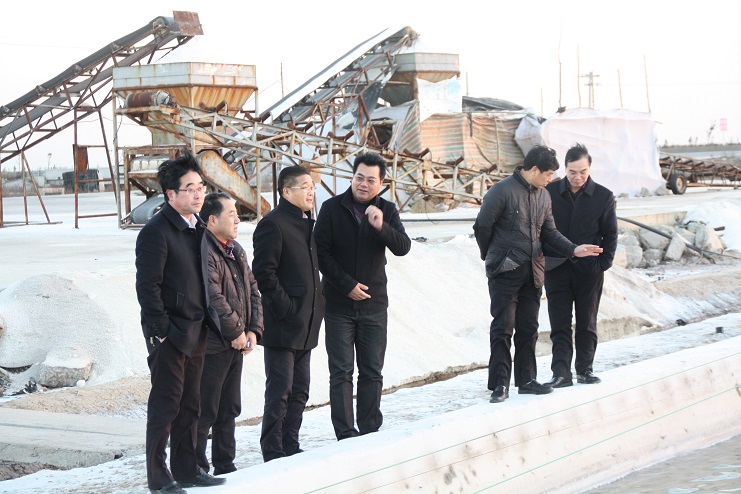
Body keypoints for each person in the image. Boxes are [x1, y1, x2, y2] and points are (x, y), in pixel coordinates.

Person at [473, 145, 603, 404]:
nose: (550, 179)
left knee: (528, 328)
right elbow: (482, 227)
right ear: (534, 170)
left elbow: (550, 233)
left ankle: (526, 380)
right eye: (548, 174)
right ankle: (500, 383)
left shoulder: (543, 195)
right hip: (505, 271)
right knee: (503, 328)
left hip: (533, 270)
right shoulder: (501, 191)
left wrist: (574, 249)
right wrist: (494, 255)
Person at [135, 153, 226, 493]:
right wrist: (162, 332)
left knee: (191, 404)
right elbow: (147, 288)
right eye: (190, 188)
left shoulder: (198, 227)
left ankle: (187, 469)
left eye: (201, 187)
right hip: (171, 334)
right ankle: (158, 478)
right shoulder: (156, 232)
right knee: (166, 406)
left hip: (197, 329)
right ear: (171, 194)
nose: (198, 194)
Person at [314, 152, 411, 440]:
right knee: (341, 371)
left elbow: (403, 247)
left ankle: (370, 429)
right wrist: (346, 285)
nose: (363, 184)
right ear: (352, 177)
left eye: (370, 180)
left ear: (381, 184)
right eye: (359, 177)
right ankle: (345, 432)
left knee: (371, 371)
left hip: (374, 305)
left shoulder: (387, 210)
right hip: (338, 305)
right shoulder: (331, 208)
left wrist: (382, 227)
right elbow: (321, 253)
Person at [252, 166, 325, 462]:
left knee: (300, 391)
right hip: (284, 325)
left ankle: (290, 445)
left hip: (307, 322)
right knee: (280, 391)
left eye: (312, 187)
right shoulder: (273, 224)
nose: (311, 192)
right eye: (305, 187)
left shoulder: (308, 222)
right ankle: (273, 451)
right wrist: (287, 308)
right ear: (286, 191)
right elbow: (264, 273)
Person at [196, 192, 264, 476]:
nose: (237, 219)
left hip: (236, 343)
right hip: (213, 345)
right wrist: (237, 331)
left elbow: (253, 290)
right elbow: (213, 297)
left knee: (229, 408)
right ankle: (196, 467)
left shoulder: (235, 249)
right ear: (212, 220)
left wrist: (253, 330)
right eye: (231, 214)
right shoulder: (204, 250)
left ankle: (225, 464)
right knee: (205, 410)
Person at [543, 144, 618, 388]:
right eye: (572, 172)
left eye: (583, 172)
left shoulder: (603, 196)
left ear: (590, 168)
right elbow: (541, 229)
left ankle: (585, 370)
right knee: (559, 324)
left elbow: (611, 234)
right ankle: (561, 373)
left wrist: (602, 264)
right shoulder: (549, 192)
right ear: (565, 169)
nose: (577, 177)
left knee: (587, 322)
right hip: (557, 268)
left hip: (589, 271)